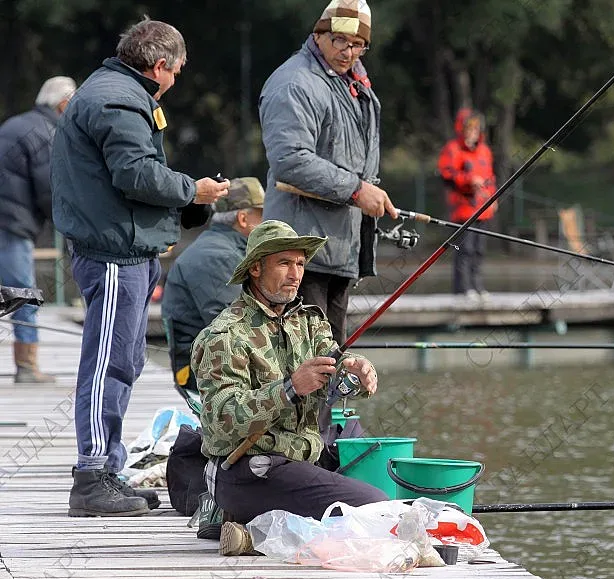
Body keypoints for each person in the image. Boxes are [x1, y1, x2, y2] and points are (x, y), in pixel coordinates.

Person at [51, 17, 229, 517]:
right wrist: (194, 191)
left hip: (126, 250)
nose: (175, 82)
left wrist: (183, 197)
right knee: (107, 361)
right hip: (112, 255)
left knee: (124, 362)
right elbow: (135, 173)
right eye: (177, 72)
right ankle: (90, 476)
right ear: (159, 65)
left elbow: (133, 170)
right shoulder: (119, 98)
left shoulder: (115, 90)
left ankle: (108, 468)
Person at [191, 220, 385, 556]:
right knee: (375, 506)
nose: (295, 274)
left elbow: (334, 364)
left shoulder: (308, 320)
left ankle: (256, 535)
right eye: (284, 263)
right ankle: (259, 529)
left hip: (304, 459)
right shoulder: (224, 336)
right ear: (255, 268)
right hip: (250, 470)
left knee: (376, 476)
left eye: (299, 264)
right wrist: (289, 388)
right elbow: (220, 419)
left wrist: (355, 371)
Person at [259, 0, 397, 348]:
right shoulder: (295, 82)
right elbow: (289, 159)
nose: (348, 52)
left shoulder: (353, 82)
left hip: (338, 250)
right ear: (318, 35)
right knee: (303, 364)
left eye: (358, 45)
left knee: (328, 367)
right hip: (300, 253)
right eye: (339, 40)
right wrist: (356, 190)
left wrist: (365, 192)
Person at [161, 177, 265, 412]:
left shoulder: (222, 248)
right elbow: (236, 330)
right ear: (243, 218)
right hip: (202, 381)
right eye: (262, 216)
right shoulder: (219, 257)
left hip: (210, 370)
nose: (267, 223)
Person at [0, 76, 77, 383]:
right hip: (10, 224)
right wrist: (72, 226)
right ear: (63, 104)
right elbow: (50, 190)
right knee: (23, 294)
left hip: (7, 219)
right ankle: (27, 366)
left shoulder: (15, 124)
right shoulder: (49, 132)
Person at [438, 108, 498, 302]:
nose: (472, 131)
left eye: (475, 128)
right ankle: (462, 289)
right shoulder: (452, 149)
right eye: (468, 128)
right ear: (461, 129)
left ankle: (477, 286)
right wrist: (469, 179)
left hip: (483, 209)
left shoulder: (485, 151)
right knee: (465, 249)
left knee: (479, 250)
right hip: (462, 210)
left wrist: (493, 197)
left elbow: (490, 178)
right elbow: (446, 175)